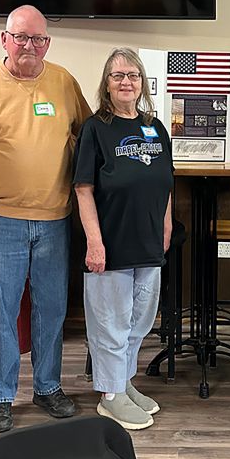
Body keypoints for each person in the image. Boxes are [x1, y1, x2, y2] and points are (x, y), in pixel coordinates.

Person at [0, 5, 92, 433]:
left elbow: (88, 136)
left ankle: (48, 387)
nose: (30, 45)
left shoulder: (64, 82)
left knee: (52, 309)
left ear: (47, 42)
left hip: (55, 218)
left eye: (38, 38)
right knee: (0, 312)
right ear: (5, 40)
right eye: (21, 37)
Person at [73, 48, 173, 430]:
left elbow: (166, 182)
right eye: (118, 76)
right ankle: (110, 395)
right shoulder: (95, 128)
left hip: (148, 243)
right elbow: (83, 188)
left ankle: (124, 382)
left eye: (133, 75)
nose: (126, 82)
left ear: (142, 82)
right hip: (111, 244)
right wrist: (94, 243)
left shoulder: (155, 127)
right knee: (110, 325)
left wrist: (166, 225)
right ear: (107, 84)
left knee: (138, 322)